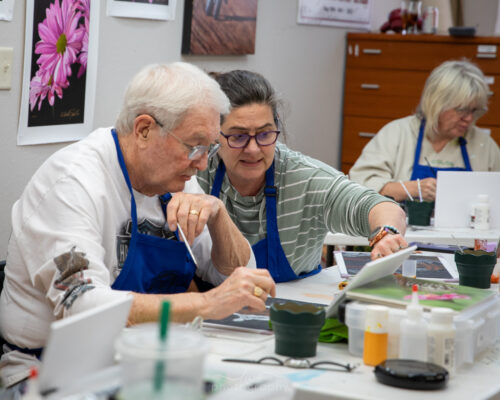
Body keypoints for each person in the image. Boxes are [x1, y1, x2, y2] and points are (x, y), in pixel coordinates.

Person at [0, 62, 275, 387]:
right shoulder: (71, 185)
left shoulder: (177, 179)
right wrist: (208, 303)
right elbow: (84, 305)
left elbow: (235, 275)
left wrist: (218, 214)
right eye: (195, 146)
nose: (202, 163)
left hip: (144, 363)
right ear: (144, 129)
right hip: (55, 376)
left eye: (210, 148)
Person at [197, 70, 408, 284]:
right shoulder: (196, 174)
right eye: (238, 136)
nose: (253, 149)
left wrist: (387, 234)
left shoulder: (305, 179)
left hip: (291, 311)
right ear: (215, 134)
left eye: (264, 134)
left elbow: (380, 207)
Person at [349, 60, 500, 202]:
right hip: (400, 228)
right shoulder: (398, 134)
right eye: (462, 110)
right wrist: (412, 188)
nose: (468, 118)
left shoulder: (483, 145)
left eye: (473, 111)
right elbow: (358, 187)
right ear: (436, 104)